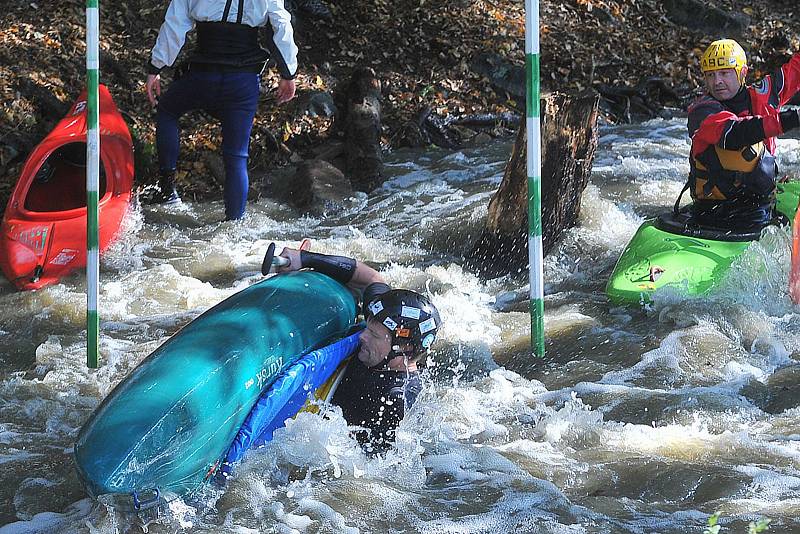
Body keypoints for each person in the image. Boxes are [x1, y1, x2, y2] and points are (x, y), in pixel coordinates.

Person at [275, 246, 442, 453]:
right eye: (368, 328)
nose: (363, 336)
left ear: (404, 348)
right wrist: (305, 259)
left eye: (374, 335)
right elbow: (373, 279)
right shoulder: (385, 324)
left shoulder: (395, 402)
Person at [144, 0, 298, 220]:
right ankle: (234, 224)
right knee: (236, 156)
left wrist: (156, 67)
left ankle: (167, 190)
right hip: (241, 82)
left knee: (168, 110)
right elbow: (280, 25)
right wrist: (288, 73)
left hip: (202, 76)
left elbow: (175, 24)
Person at [685, 38, 800, 230]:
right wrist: (791, 118)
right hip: (712, 214)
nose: (717, 82)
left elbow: (796, 71)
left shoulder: (764, 95)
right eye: (711, 75)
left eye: (724, 73)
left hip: (759, 209)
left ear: (742, 73)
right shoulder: (701, 112)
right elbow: (734, 133)